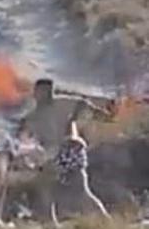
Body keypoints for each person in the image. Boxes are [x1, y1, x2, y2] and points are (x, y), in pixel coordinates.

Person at [19, 79, 112, 221]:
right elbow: (26, 136)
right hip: (55, 153)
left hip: (70, 148)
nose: (43, 95)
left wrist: (102, 115)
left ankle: (105, 221)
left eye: (47, 91)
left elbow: (83, 105)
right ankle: (51, 222)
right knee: (46, 187)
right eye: (40, 92)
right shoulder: (34, 116)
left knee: (81, 191)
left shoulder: (62, 103)